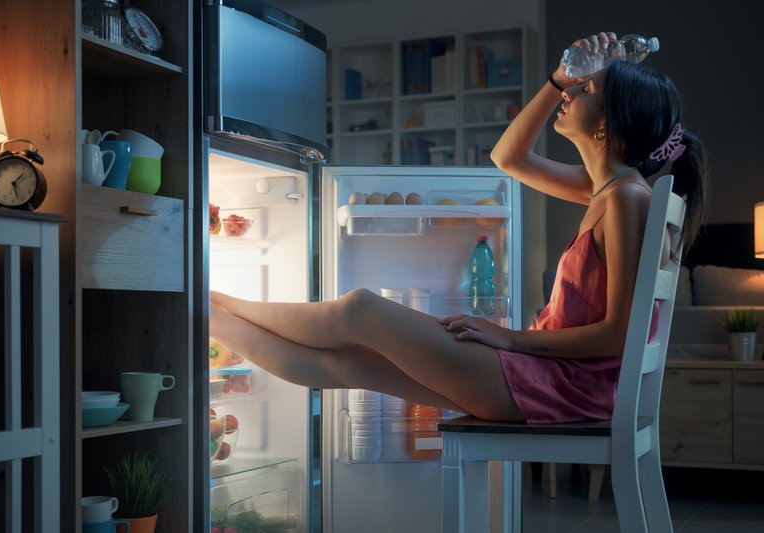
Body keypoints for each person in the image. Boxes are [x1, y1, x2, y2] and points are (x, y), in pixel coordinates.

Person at [210, 32, 708, 424]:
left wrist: (509, 340)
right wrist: (556, 80)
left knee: (359, 309)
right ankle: (207, 315)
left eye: (585, 90)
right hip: (553, 378)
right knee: (349, 362)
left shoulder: (625, 199)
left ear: (606, 125)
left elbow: (619, 334)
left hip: (563, 386)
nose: (572, 92)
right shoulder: (608, 189)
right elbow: (507, 156)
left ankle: (211, 304)